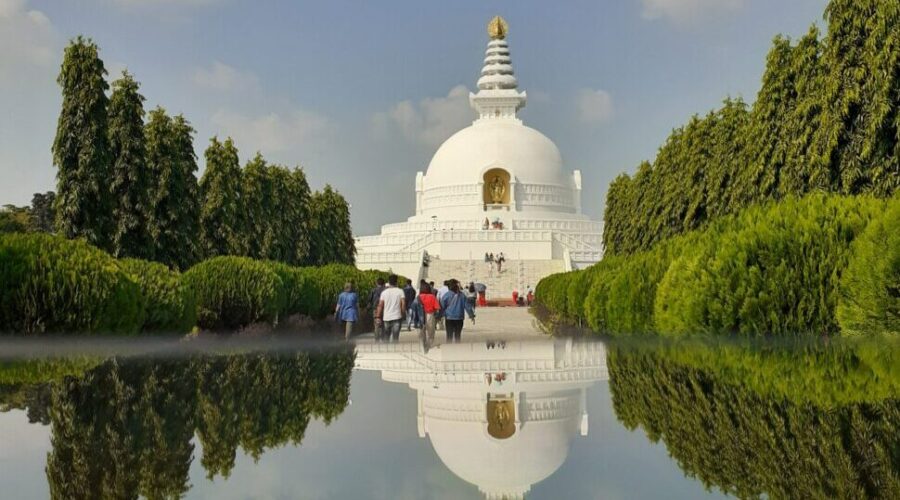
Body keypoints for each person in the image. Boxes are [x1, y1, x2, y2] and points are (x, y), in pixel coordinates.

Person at [376, 274, 406, 343]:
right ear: (396, 282)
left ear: (388, 282)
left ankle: (387, 350)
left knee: (386, 335)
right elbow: (403, 304)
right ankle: (394, 350)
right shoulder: (400, 291)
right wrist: (403, 314)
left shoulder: (384, 293)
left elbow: (380, 305)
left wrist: (378, 316)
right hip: (397, 316)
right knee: (395, 337)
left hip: (386, 317)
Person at [418, 282, 441, 350]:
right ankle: (428, 346)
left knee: (422, 330)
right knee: (430, 332)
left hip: (421, 315)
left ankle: (422, 344)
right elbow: (437, 307)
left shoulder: (418, 297)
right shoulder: (432, 297)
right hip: (430, 315)